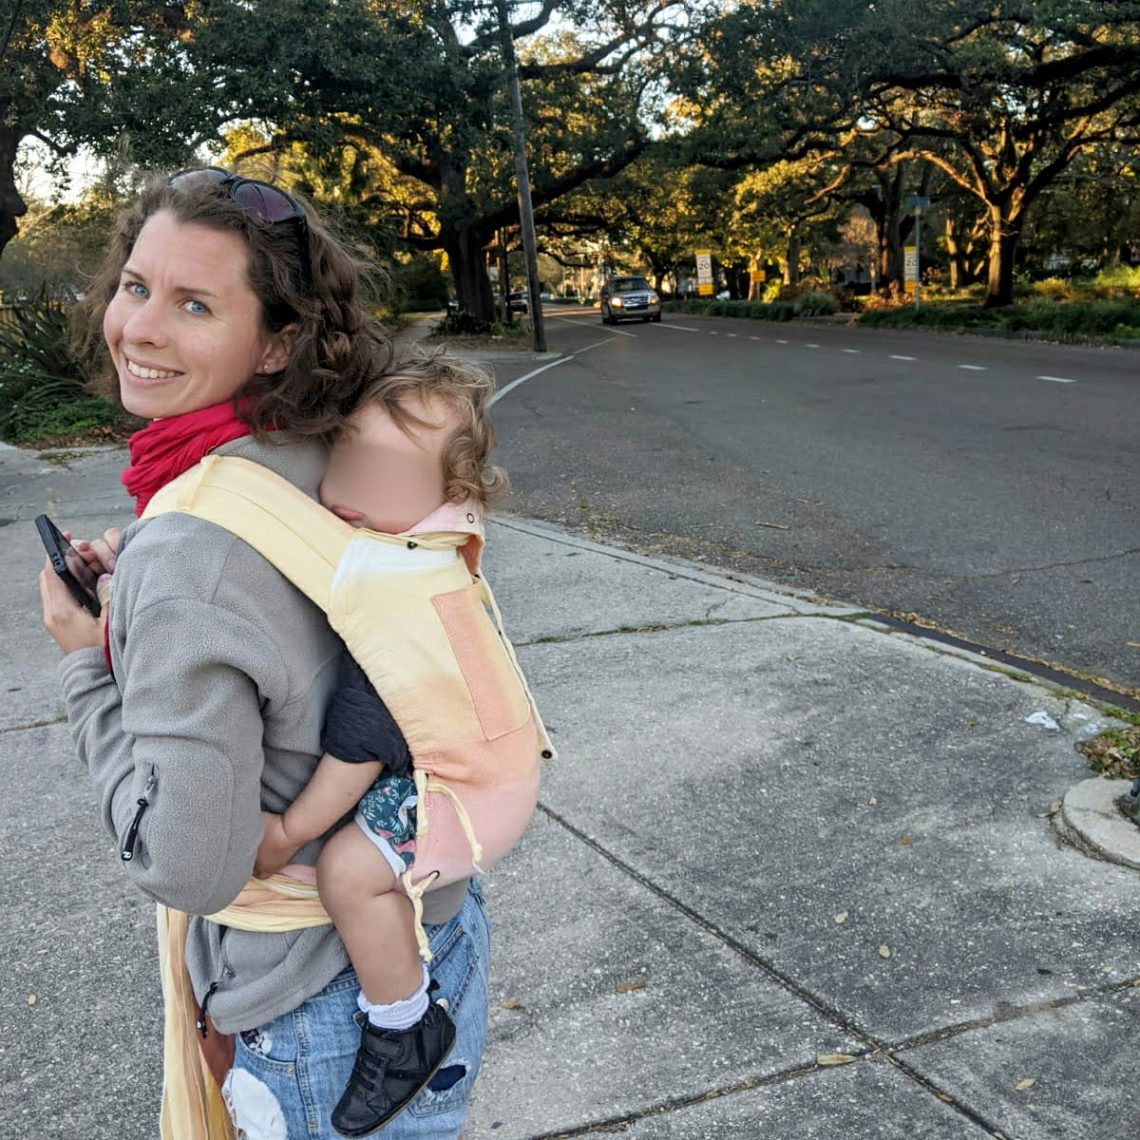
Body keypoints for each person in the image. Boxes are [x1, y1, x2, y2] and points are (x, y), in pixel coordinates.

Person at [37, 166, 492, 1139]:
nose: (142, 328)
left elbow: (191, 865)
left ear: (277, 339)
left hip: (318, 1004)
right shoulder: (345, 447)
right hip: (435, 934)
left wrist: (87, 660)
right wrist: (153, 595)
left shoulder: (192, 540)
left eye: (194, 303)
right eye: (136, 285)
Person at [249, 349, 536, 1136]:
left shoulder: (401, 587)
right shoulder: (408, 545)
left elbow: (364, 740)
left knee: (347, 869)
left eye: (388, 478)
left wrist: (291, 831)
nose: (354, 495)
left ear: (449, 496)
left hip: (459, 786)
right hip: (457, 758)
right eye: (349, 462)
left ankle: (403, 1022)